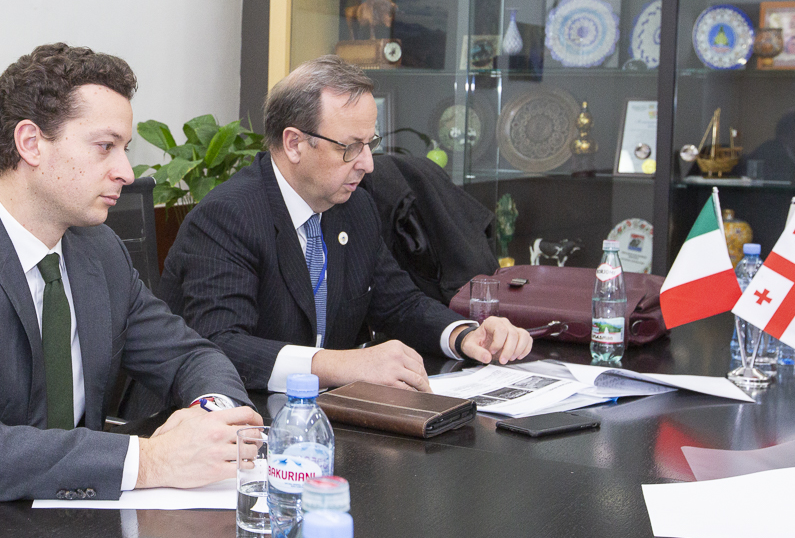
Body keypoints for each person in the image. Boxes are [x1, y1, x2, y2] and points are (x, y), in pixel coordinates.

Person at [0, 43, 261, 502]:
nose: (126, 172)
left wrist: (214, 417)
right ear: (31, 143)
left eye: (124, 149)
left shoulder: (99, 251)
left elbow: (190, 357)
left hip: (84, 519)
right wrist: (150, 459)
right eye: (105, 147)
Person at [157, 55, 532, 393]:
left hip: (322, 416)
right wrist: (343, 365)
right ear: (294, 143)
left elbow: (399, 303)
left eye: (370, 144)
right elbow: (220, 344)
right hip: (224, 420)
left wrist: (464, 335)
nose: (367, 163)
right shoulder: (227, 217)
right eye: (350, 147)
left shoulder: (354, 208)